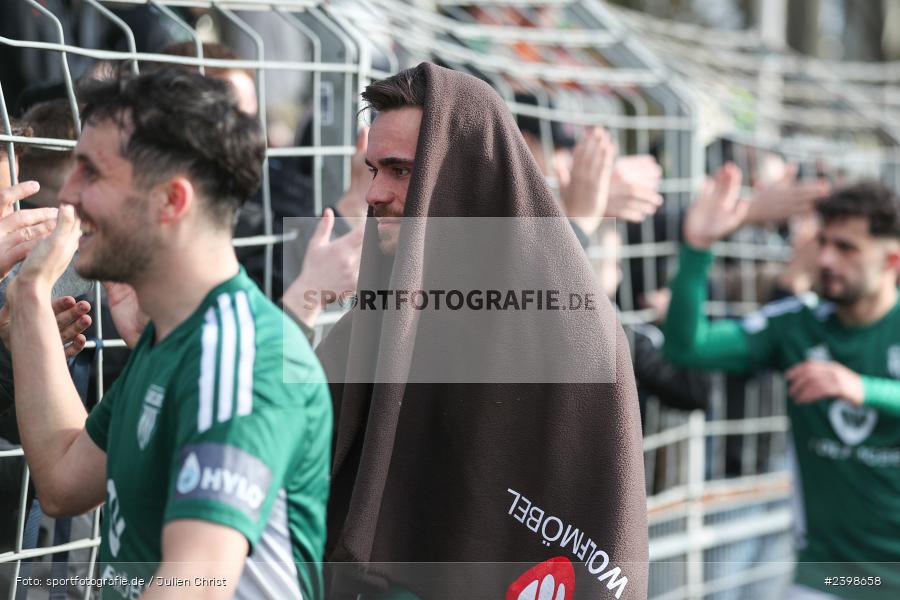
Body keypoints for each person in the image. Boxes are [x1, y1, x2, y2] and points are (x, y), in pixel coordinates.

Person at [305, 62, 647, 600]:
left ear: (462, 174)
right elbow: (266, 433)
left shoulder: (577, 344)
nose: (374, 193)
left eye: (399, 171)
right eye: (373, 170)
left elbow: (593, 554)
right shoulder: (375, 325)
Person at [5, 68, 332, 599]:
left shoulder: (240, 357)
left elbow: (195, 584)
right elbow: (63, 480)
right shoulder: (170, 336)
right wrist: (28, 297)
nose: (68, 192)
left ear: (171, 202)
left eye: (91, 173)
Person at [662, 164, 900, 600]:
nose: (825, 259)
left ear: (891, 261)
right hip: (830, 579)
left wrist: (864, 389)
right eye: (823, 242)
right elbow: (686, 347)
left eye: (846, 248)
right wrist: (698, 247)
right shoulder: (797, 326)